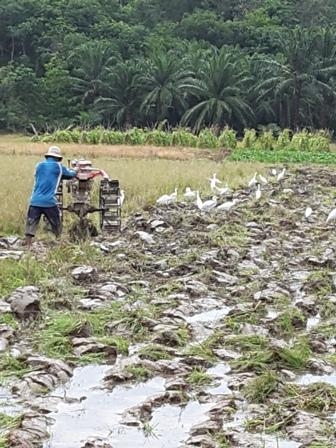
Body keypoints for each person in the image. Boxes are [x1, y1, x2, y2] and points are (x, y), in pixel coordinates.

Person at [24, 146, 78, 248]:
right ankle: (60, 241)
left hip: (34, 200)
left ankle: (28, 243)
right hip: (49, 201)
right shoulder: (58, 167)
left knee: (31, 221)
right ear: (58, 158)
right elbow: (70, 175)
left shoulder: (39, 166)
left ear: (48, 156)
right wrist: (76, 169)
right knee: (56, 222)